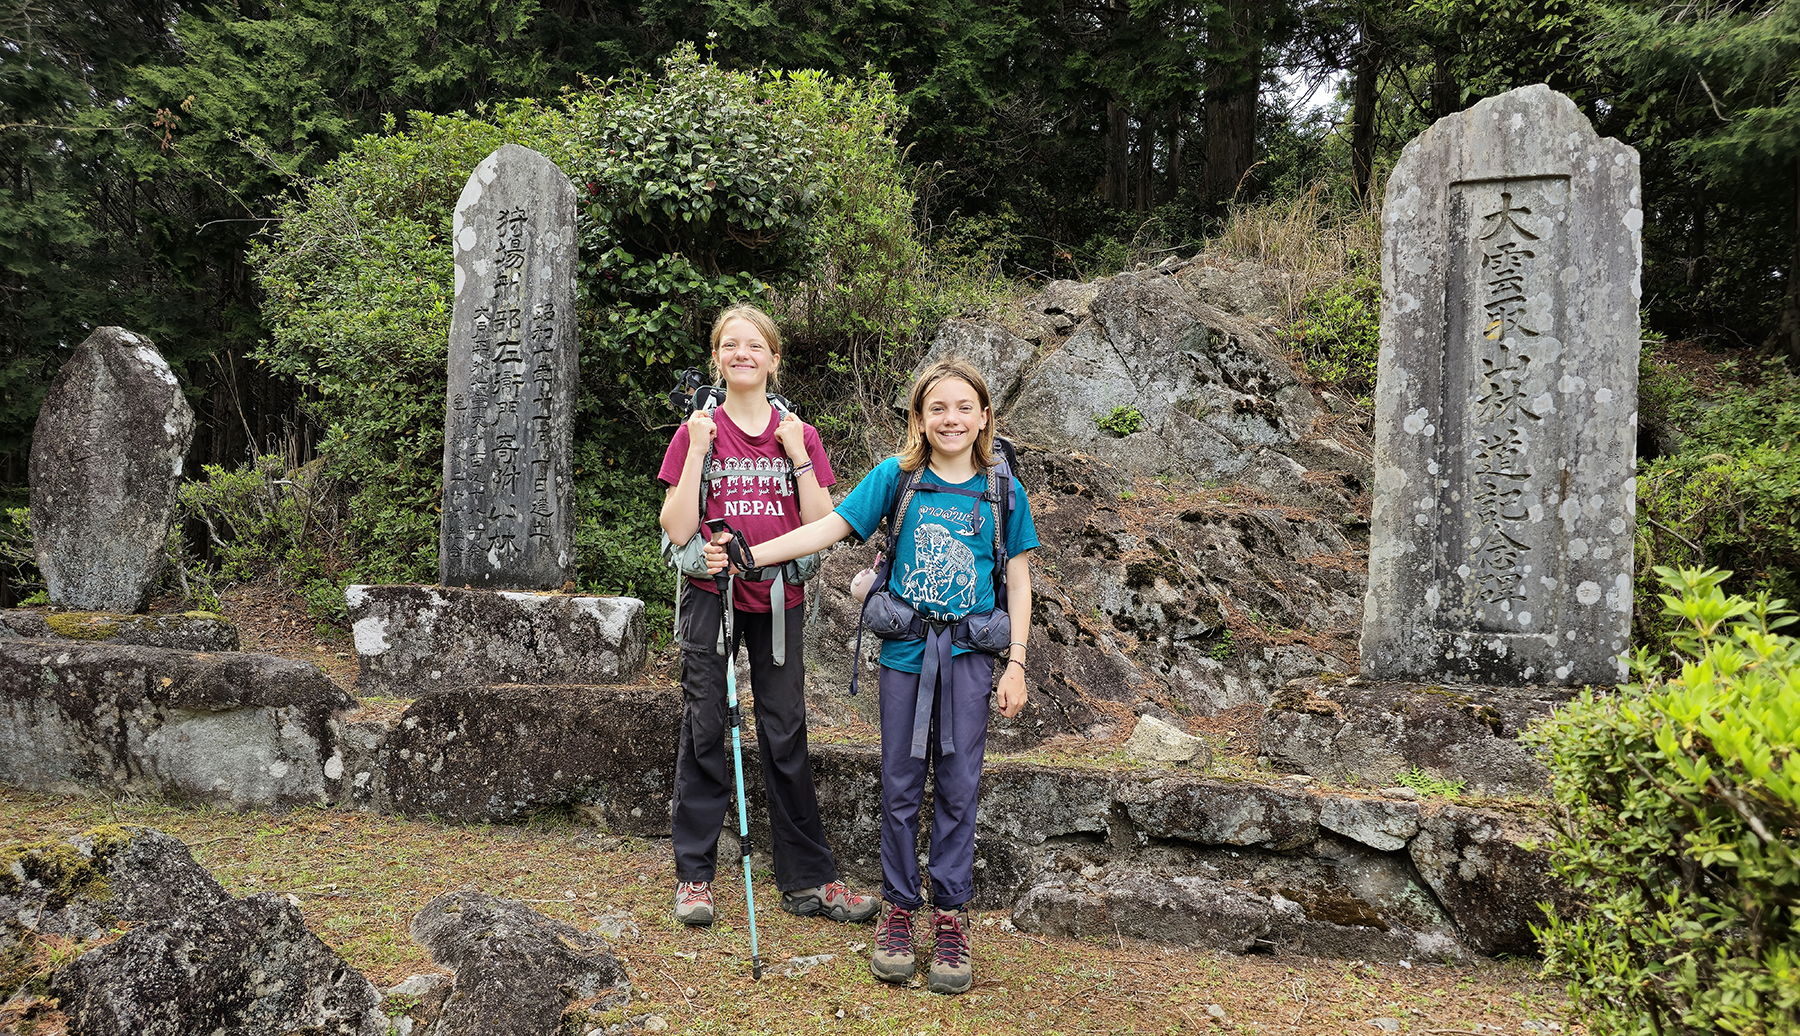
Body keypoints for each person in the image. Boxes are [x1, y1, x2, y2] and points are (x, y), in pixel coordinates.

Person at [706, 358, 1038, 995]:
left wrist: (1017, 662)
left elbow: (1019, 579)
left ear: (984, 417)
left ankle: (950, 917)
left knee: (960, 786)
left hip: (970, 659)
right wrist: (751, 555)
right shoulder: (896, 478)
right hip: (906, 657)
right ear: (919, 417)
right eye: (937, 408)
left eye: (963, 408)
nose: (951, 419)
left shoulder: (1003, 490)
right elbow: (828, 528)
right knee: (900, 784)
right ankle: (899, 910)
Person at [657, 303, 879, 929]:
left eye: (755, 345)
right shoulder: (696, 431)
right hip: (711, 597)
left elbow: (823, 524)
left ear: (774, 359)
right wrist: (698, 450)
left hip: (780, 599)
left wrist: (798, 454)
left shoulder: (798, 433)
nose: (742, 354)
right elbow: (675, 525)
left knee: (785, 731)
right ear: (716, 358)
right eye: (730, 344)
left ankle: (808, 879)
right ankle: (695, 875)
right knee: (706, 726)